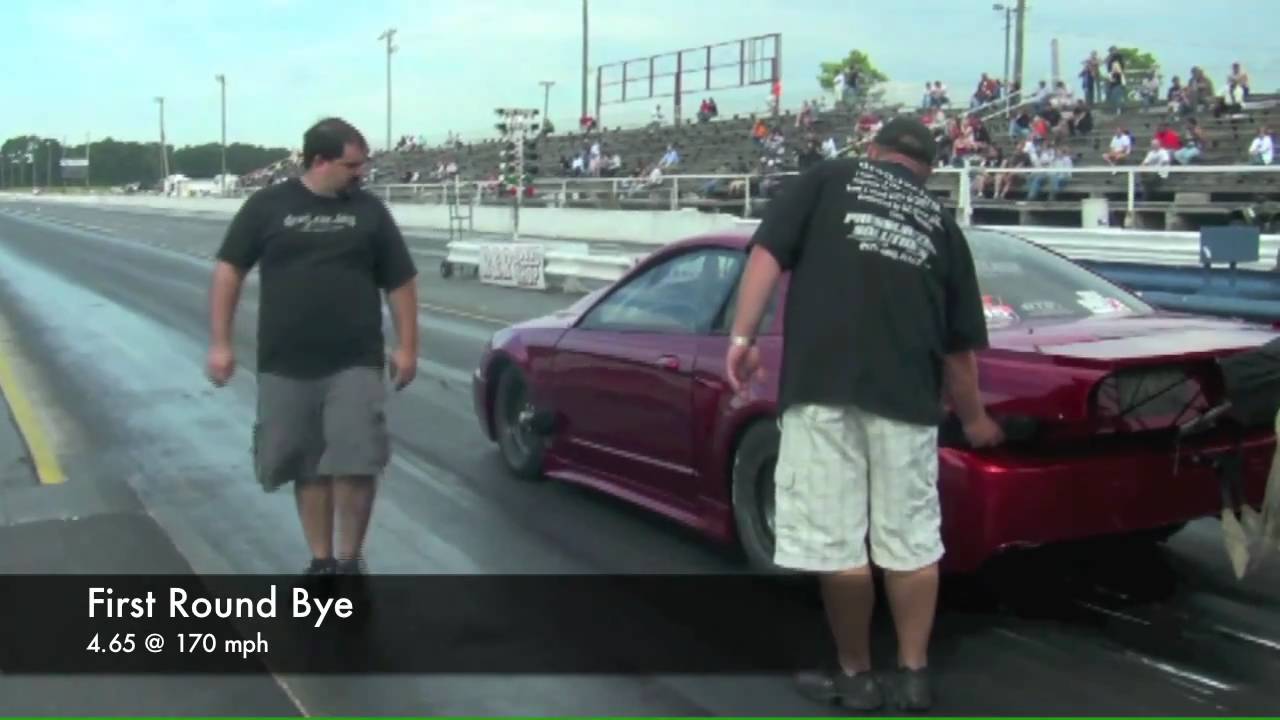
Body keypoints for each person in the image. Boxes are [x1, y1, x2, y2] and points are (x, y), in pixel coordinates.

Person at [724, 116, 1004, 711]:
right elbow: (959, 352)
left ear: (873, 151)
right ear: (927, 172)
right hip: (907, 401)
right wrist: (977, 421)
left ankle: (856, 675)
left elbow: (767, 254)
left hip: (822, 390)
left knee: (839, 546)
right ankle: (914, 675)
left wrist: (743, 338)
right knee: (912, 544)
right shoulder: (942, 225)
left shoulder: (830, 177)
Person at [205, 117, 419, 576]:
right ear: (320, 161)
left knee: (357, 461)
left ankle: (349, 560)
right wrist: (221, 343)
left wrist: (408, 346)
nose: (361, 174)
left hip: (355, 359)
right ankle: (321, 560)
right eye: (352, 165)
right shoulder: (267, 206)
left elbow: (401, 281)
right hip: (285, 361)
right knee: (307, 465)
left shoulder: (370, 211)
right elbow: (229, 270)